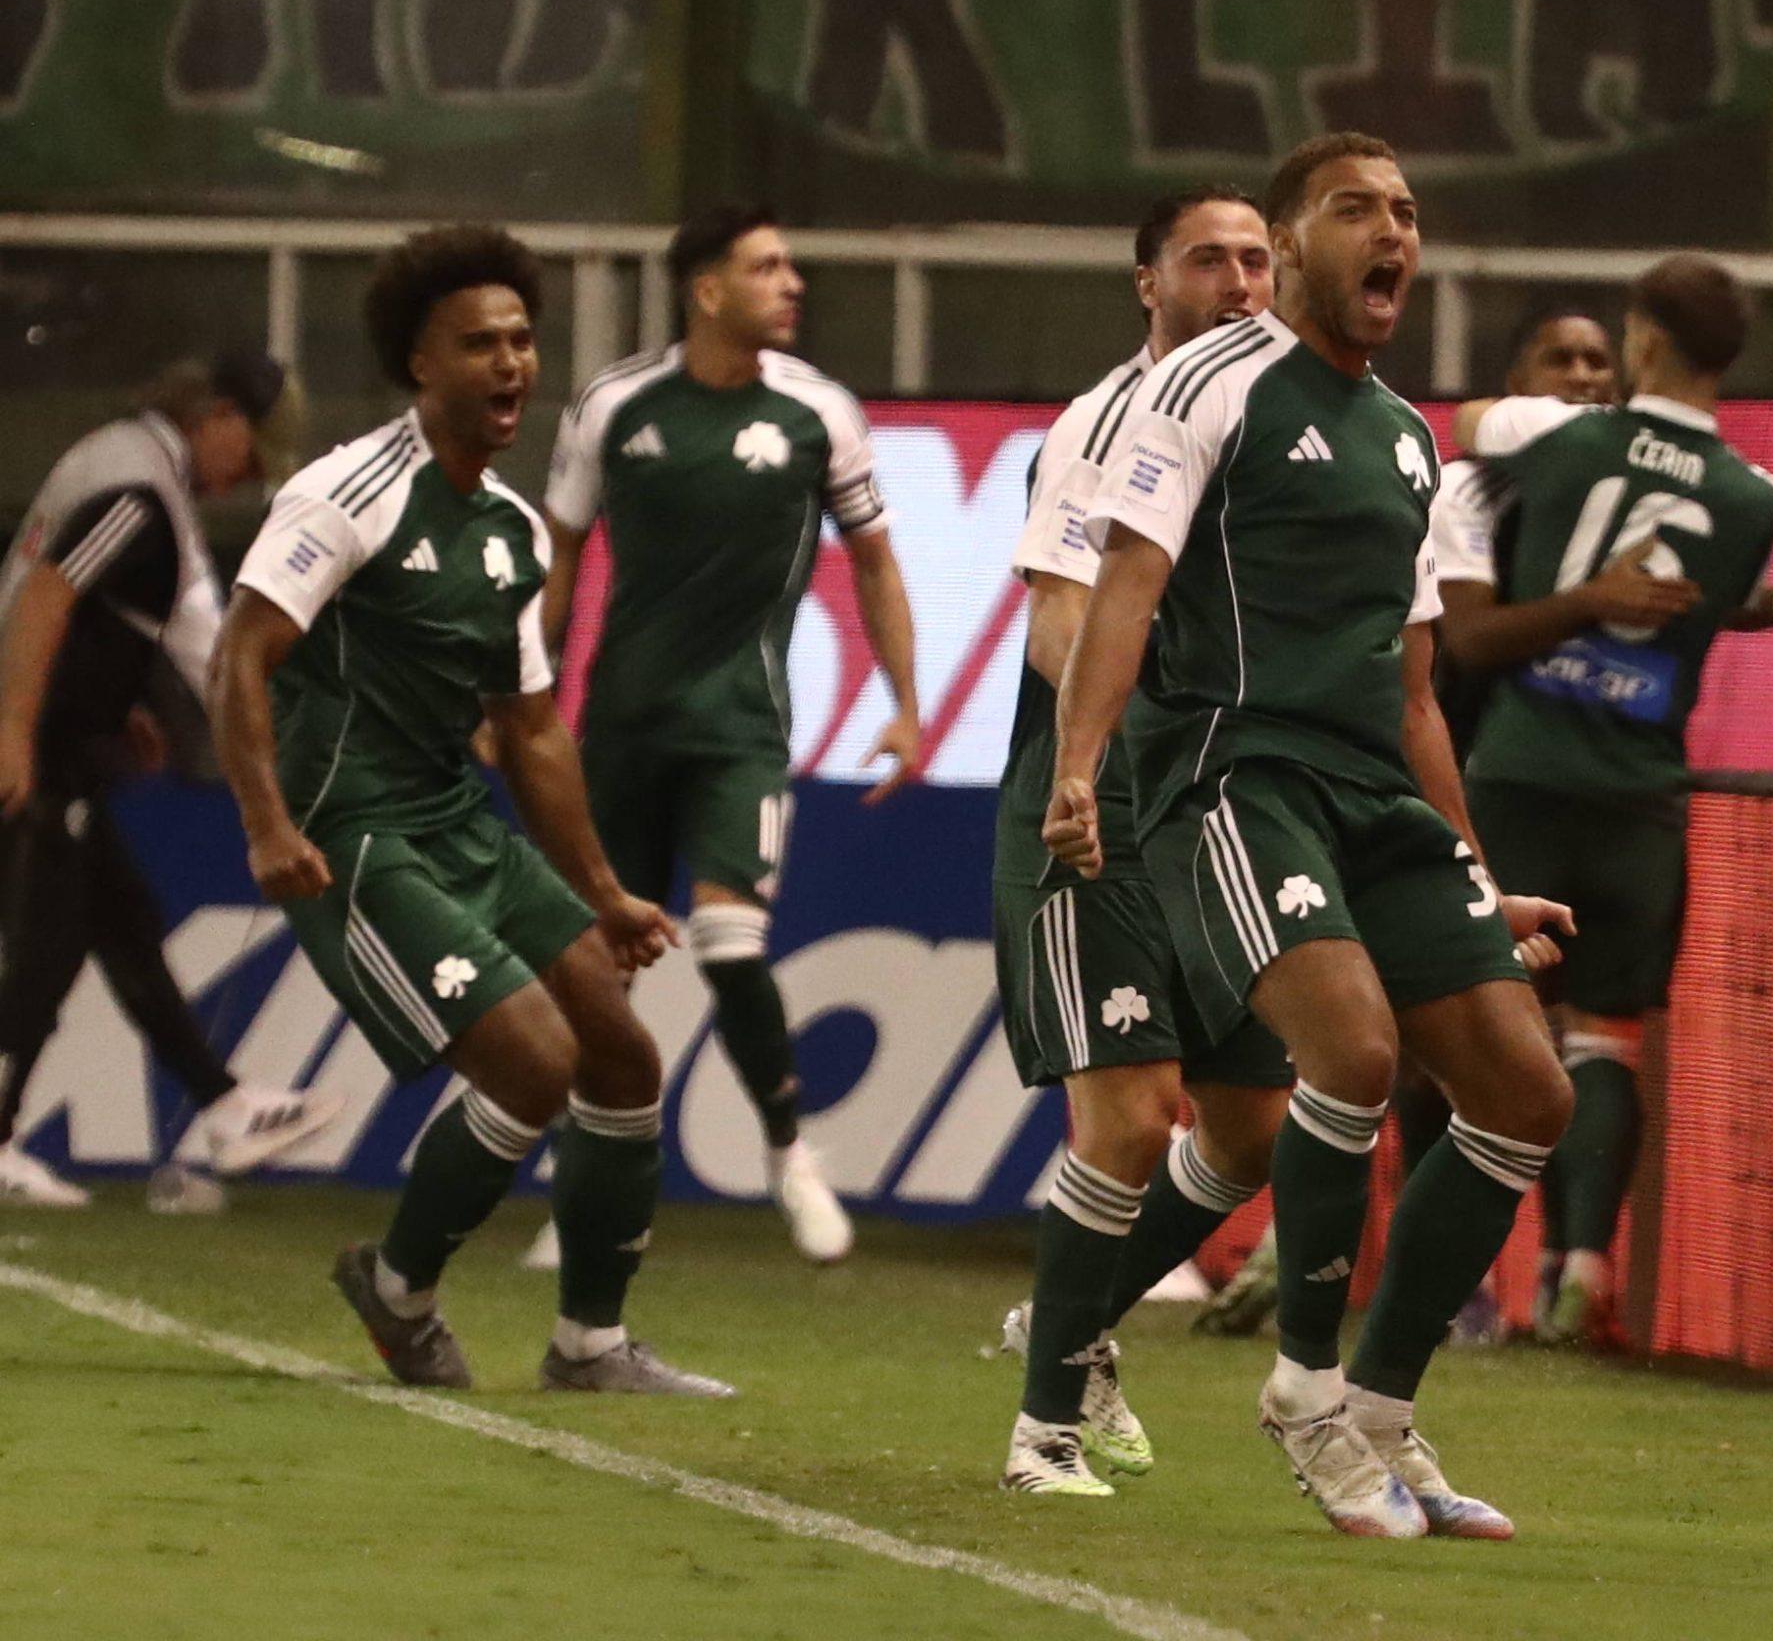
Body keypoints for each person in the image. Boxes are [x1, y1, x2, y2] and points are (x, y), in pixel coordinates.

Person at [1049, 131, 1575, 1541]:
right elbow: (1132, 578)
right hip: (1234, 773)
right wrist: (1081, 765)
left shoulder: (1408, 438)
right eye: (1356, 208)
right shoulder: (1201, 383)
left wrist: (1474, 875)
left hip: (1372, 795)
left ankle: (1388, 1413)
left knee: (1529, 1095)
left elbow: (1414, 689)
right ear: (1288, 248)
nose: (1390, 230)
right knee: (1349, 1053)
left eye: (1406, 210)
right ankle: (1303, 1387)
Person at [210, 224, 727, 1396]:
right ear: (420, 364)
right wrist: (265, 824)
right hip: (353, 836)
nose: (511, 365)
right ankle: (398, 1291)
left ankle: (589, 1343)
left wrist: (603, 893)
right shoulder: (343, 492)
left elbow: (534, 730)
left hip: (454, 824)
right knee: (534, 1062)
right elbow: (239, 658)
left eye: (522, 340)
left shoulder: (510, 530)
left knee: (621, 1050)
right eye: (479, 344)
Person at [1444, 256, 1773, 1344]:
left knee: (1462, 1025)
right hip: (1640, 793)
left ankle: (1454, 1273)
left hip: (1517, 773)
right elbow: (1693, 596)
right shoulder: (1758, 496)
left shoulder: (1546, 438)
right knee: (1606, 1039)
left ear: (1640, 339)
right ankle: (1582, 1260)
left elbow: (1468, 423)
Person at [1190, 300, 1620, 1344]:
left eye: (1597, 362)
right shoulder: (1454, 475)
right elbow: (1451, 649)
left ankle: (1496, 1281)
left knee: (1507, 1056)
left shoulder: (1616, 494)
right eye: (1555, 357)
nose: (1580, 377)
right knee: (1376, 1039)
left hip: (1516, 791)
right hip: (1391, 784)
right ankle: (1308, 1271)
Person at [540, 203, 924, 1264]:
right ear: (707, 289)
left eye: (792, 263)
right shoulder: (615, 404)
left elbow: (879, 561)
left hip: (740, 729)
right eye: (767, 267)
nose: (792, 282)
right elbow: (560, 558)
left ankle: (790, 1155)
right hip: (615, 726)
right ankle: (589, 1181)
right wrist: (516, 697)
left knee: (726, 939)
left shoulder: (818, 413)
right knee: (596, 966)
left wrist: (904, 702)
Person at [993, 185, 1296, 1497]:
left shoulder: (1293, 410)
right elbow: (1063, 618)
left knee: (1254, 1127)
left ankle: (1074, 1311)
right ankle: (1043, 1430)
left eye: (1256, 260)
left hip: (1221, 801)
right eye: (1208, 260)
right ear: (1147, 283)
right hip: (1102, 798)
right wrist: (1103, 748)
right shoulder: (1109, 420)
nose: (1239, 282)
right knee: (1126, 1119)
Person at [0, 354, 343, 1209]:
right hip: (39, 747)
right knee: (47, 943)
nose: (252, 473)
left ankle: (226, 1107)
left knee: (123, 924)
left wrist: (121, 708)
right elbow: (46, 597)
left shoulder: (122, 459)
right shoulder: (141, 493)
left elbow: (102, 615)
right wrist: (12, 727)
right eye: (252, 448)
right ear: (215, 416)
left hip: (64, 738)